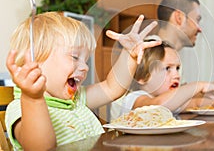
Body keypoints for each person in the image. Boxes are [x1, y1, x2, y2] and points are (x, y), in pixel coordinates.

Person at [5, 12, 160, 150]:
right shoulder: (21, 107)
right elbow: (41, 148)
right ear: (34, 61)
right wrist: (33, 99)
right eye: (74, 57)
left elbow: (111, 88)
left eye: (86, 60)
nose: (85, 67)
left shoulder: (76, 99)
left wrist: (129, 54)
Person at [112, 40, 214, 118]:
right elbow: (156, 105)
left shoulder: (170, 101)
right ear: (142, 77)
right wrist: (198, 86)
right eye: (168, 69)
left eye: (177, 68)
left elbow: (196, 103)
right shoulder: (135, 98)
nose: (176, 75)